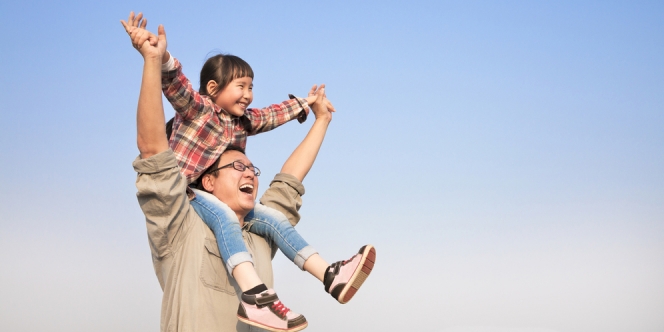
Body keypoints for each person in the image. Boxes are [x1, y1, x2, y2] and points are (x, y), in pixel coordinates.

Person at [127, 15, 376, 332]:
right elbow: (161, 130)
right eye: (237, 166)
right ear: (210, 179)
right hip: (189, 195)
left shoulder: (258, 234)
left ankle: (331, 274)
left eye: (251, 167)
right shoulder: (179, 225)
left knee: (276, 221)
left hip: (239, 220)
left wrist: (316, 114)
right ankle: (257, 297)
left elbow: (279, 144)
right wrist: (156, 58)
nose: (250, 173)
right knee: (225, 218)